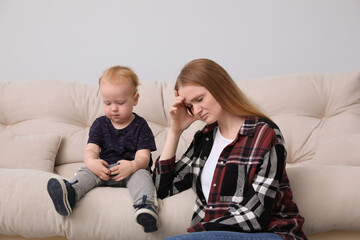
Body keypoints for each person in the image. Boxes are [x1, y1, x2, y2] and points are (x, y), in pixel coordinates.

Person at [153, 59, 307, 240]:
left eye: (199, 99)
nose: (196, 110)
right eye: (189, 106)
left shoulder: (265, 134)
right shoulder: (205, 138)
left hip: (271, 234)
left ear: (220, 87)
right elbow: (162, 188)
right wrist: (175, 131)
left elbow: (255, 216)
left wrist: (200, 232)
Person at [47, 66, 159, 233]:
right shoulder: (100, 124)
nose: (113, 108)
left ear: (135, 99)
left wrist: (133, 166)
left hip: (131, 170)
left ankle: (146, 208)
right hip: (104, 169)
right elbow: (90, 150)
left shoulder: (140, 125)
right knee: (86, 171)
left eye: (120, 103)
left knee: (143, 176)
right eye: (108, 103)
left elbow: (143, 157)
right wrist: (92, 162)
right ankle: (70, 194)